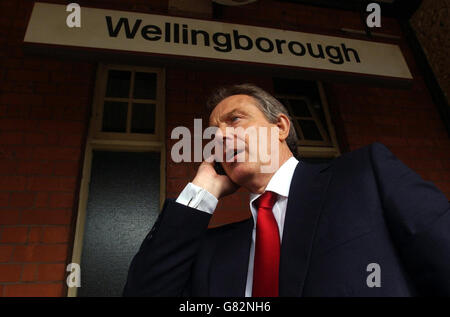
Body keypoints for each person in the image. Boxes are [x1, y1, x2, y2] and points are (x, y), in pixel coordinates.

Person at [123, 84, 450, 297]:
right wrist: (201, 192)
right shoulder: (214, 250)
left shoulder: (365, 175)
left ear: (280, 126)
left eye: (235, 120)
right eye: (213, 134)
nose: (220, 137)